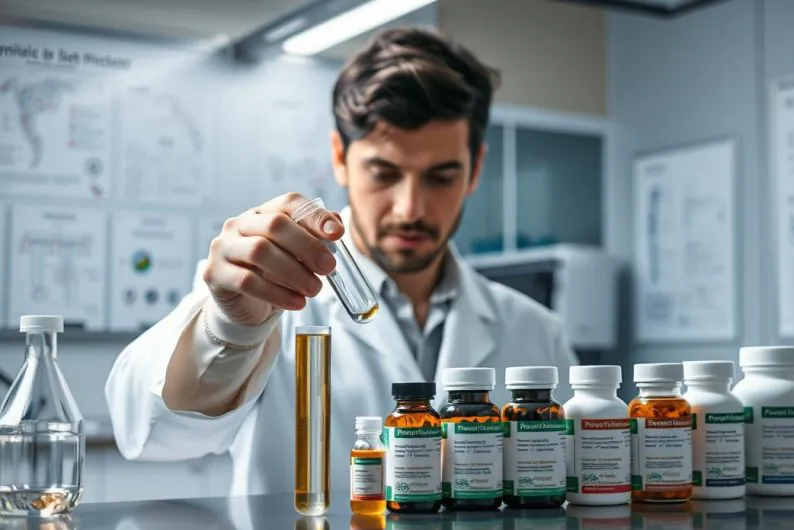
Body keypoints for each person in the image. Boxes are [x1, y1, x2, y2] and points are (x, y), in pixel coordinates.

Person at [104, 27, 577, 497]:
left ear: (474, 170)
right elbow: (151, 436)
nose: (410, 208)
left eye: (441, 176)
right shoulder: (266, 295)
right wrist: (230, 329)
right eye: (384, 173)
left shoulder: (536, 333)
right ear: (339, 157)